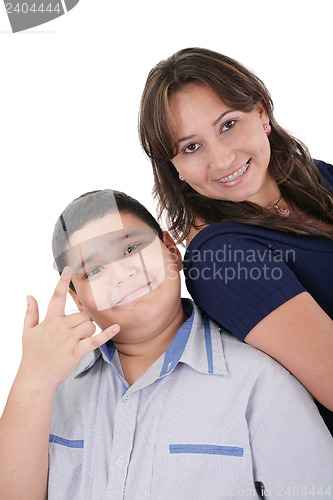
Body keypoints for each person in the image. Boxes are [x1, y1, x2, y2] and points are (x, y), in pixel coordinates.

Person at [0, 189, 332, 500]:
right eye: (95, 270)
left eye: (130, 249)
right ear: (79, 301)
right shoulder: (50, 387)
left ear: (172, 252)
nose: (122, 273)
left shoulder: (262, 384)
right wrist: (32, 380)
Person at [139, 47, 333, 435]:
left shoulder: (320, 177)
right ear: (173, 168)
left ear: (261, 113)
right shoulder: (221, 259)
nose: (224, 159)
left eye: (228, 124)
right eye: (191, 147)